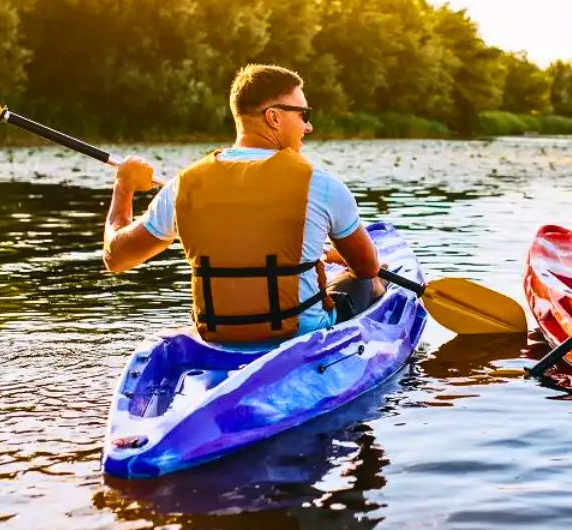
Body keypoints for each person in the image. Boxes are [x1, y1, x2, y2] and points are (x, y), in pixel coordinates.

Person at [100, 64, 385, 345]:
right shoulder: (322, 185)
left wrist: (123, 187)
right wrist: (339, 256)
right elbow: (366, 267)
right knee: (369, 282)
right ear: (274, 117)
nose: (308, 126)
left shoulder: (183, 184)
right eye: (303, 114)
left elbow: (116, 257)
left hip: (217, 334)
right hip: (300, 334)